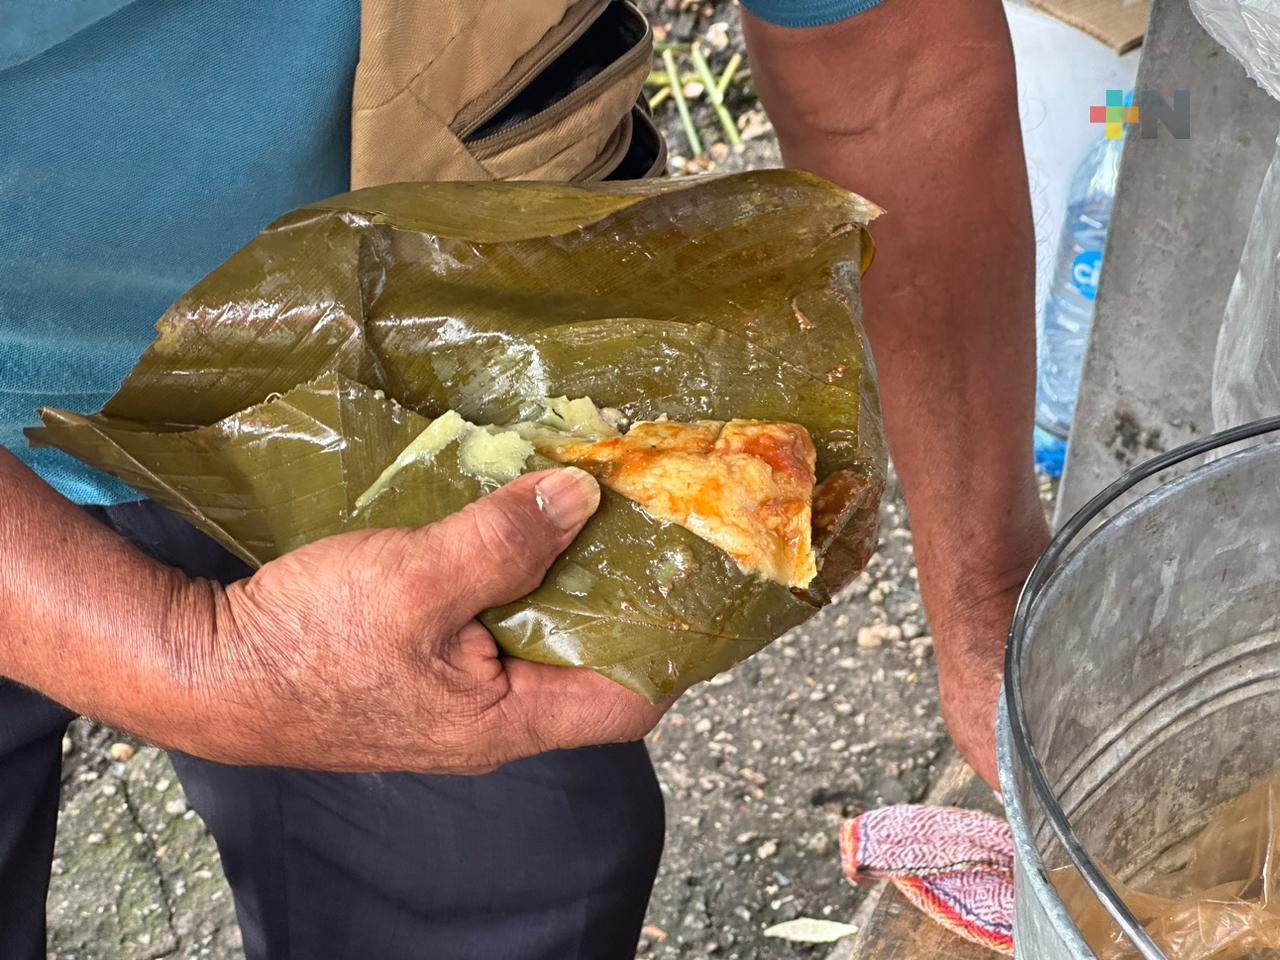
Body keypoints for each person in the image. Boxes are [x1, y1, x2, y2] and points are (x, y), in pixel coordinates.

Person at [0, 0, 1047, 957]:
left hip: (451, 372)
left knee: (509, 885)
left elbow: (890, 70)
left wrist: (985, 591)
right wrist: (183, 662)